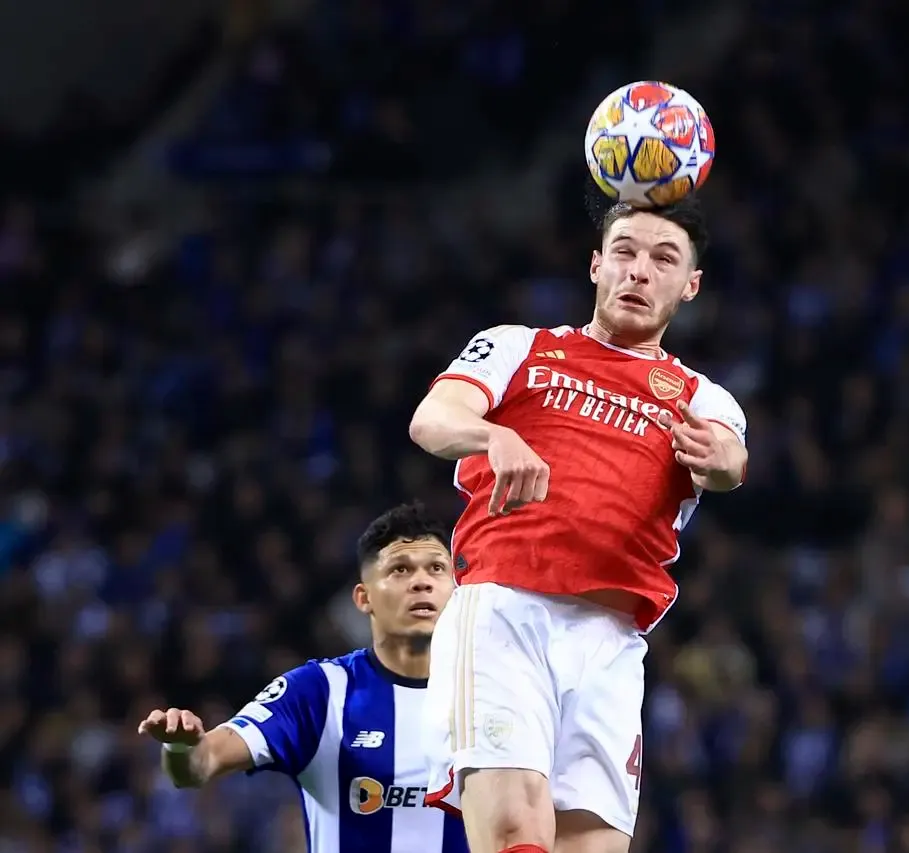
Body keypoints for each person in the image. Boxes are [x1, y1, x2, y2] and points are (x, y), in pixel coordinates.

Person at [409, 197, 748, 853]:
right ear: (596, 265)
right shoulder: (520, 347)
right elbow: (432, 418)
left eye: (664, 259)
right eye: (624, 252)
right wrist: (494, 433)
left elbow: (730, 458)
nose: (639, 271)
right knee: (515, 829)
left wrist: (726, 461)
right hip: (504, 608)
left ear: (691, 285)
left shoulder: (702, 398)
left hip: (611, 639)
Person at [137, 503, 468, 853]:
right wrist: (180, 746)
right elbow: (199, 765)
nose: (421, 582)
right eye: (400, 570)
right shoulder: (319, 691)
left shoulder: (493, 692)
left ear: (456, 590)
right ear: (364, 598)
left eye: (436, 568)